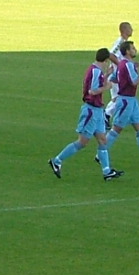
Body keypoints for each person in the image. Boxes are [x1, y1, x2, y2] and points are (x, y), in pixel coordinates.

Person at [48, 48, 122, 180]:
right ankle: (57, 161)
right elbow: (92, 91)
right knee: (82, 142)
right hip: (91, 110)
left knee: (102, 140)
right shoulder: (95, 71)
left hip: (98, 110)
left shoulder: (97, 71)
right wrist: (107, 87)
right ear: (106, 60)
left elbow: (97, 83)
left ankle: (107, 172)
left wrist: (106, 75)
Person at [105, 21, 134, 125]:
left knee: (118, 97)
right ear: (124, 30)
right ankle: (106, 115)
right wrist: (120, 66)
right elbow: (111, 54)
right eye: (130, 28)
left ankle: (109, 116)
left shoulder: (124, 42)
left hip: (119, 74)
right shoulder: (120, 42)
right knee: (118, 97)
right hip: (116, 75)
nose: (132, 30)